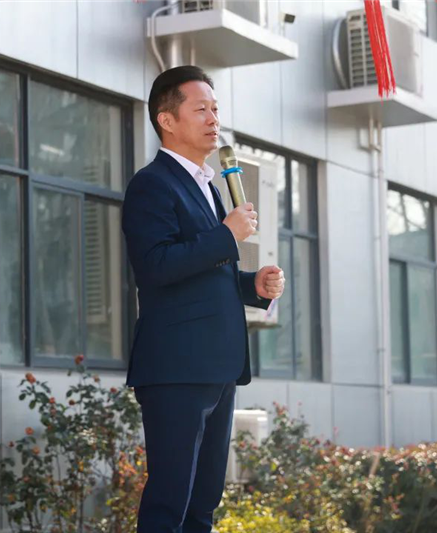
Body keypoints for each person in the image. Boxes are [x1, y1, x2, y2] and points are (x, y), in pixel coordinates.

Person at [121, 65, 286, 533]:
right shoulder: (151, 184)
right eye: (201, 109)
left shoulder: (208, 186)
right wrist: (226, 235)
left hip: (218, 366)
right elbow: (155, 266)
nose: (214, 119)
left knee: (202, 505)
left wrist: (251, 285)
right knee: (169, 503)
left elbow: (205, 273)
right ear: (167, 120)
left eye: (216, 109)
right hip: (176, 367)